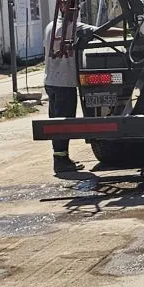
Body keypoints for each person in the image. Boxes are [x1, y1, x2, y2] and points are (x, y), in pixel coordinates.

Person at [43, 17, 95, 174]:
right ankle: (60, 161)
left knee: (56, 121)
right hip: (64, 83)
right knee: (64, 123)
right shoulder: (74, 27)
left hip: (50, 80)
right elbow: (100, 30)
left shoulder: (50, 25)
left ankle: (61, 157)